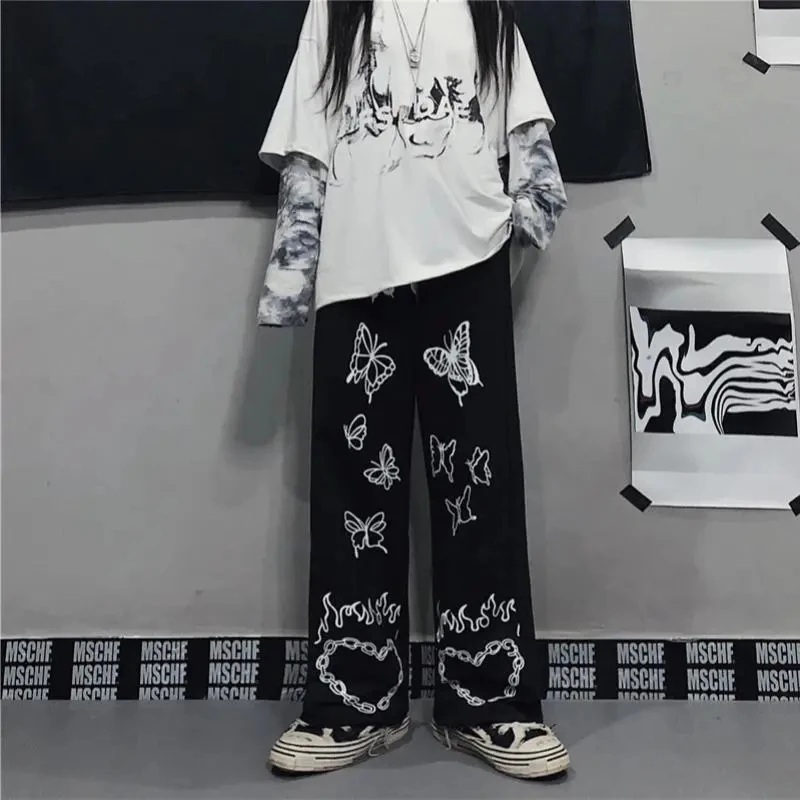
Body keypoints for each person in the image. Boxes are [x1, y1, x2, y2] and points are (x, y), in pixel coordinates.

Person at [257, 0, 568, 780]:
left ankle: (491, 701)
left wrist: (533, 207)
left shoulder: (484, 11)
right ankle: (355, 700)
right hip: (358, 273)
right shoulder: (336, 12)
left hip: (468, 262)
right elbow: (306, 147)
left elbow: (527, 128)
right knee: (353, 486)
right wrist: (290, 274)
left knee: (480, 481)